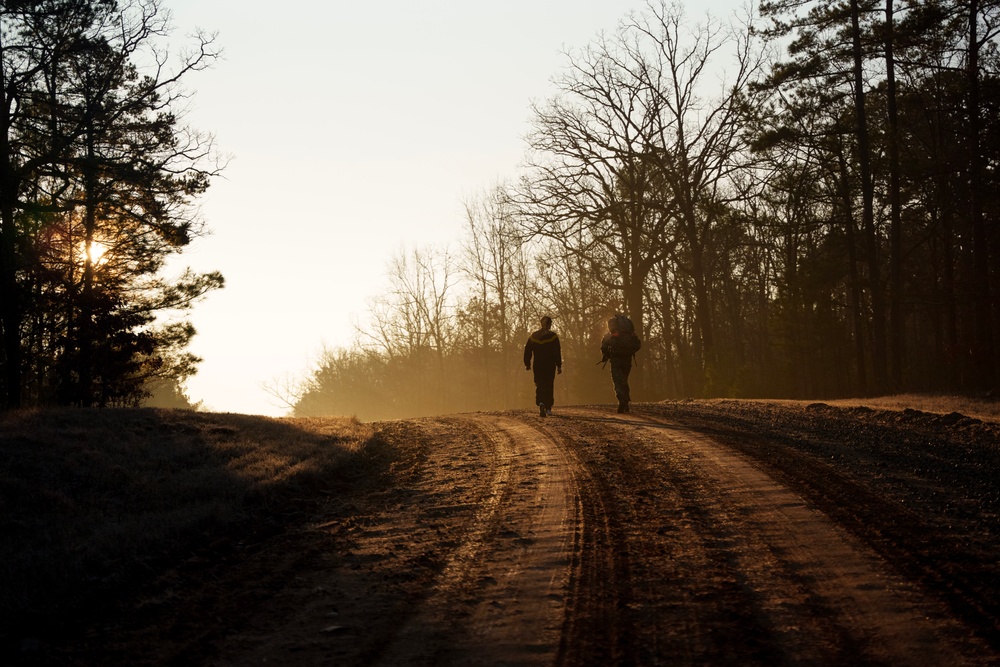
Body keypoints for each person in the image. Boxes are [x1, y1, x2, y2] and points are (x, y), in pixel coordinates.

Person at [601, 314, 641, 413]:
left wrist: (606, 355)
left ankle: (622, 401)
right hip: (627, 359)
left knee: (618, 381)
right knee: (624, 380)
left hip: (616, 360)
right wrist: (630, 352)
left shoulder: (611, 334)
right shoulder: (631, 334)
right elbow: (638, 344)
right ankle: (626, 402)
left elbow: (604, 345)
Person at [523, 315, 562, 417]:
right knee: (549, 384)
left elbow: (527, 350)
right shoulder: (553, 337)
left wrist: (527, 363)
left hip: (538, 365)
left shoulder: (534, 336)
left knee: (539, 384)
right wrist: (559, 365)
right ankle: (548, 407)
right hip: (549, 365)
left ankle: (541, 402)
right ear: (549, 324)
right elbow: (557, 352)